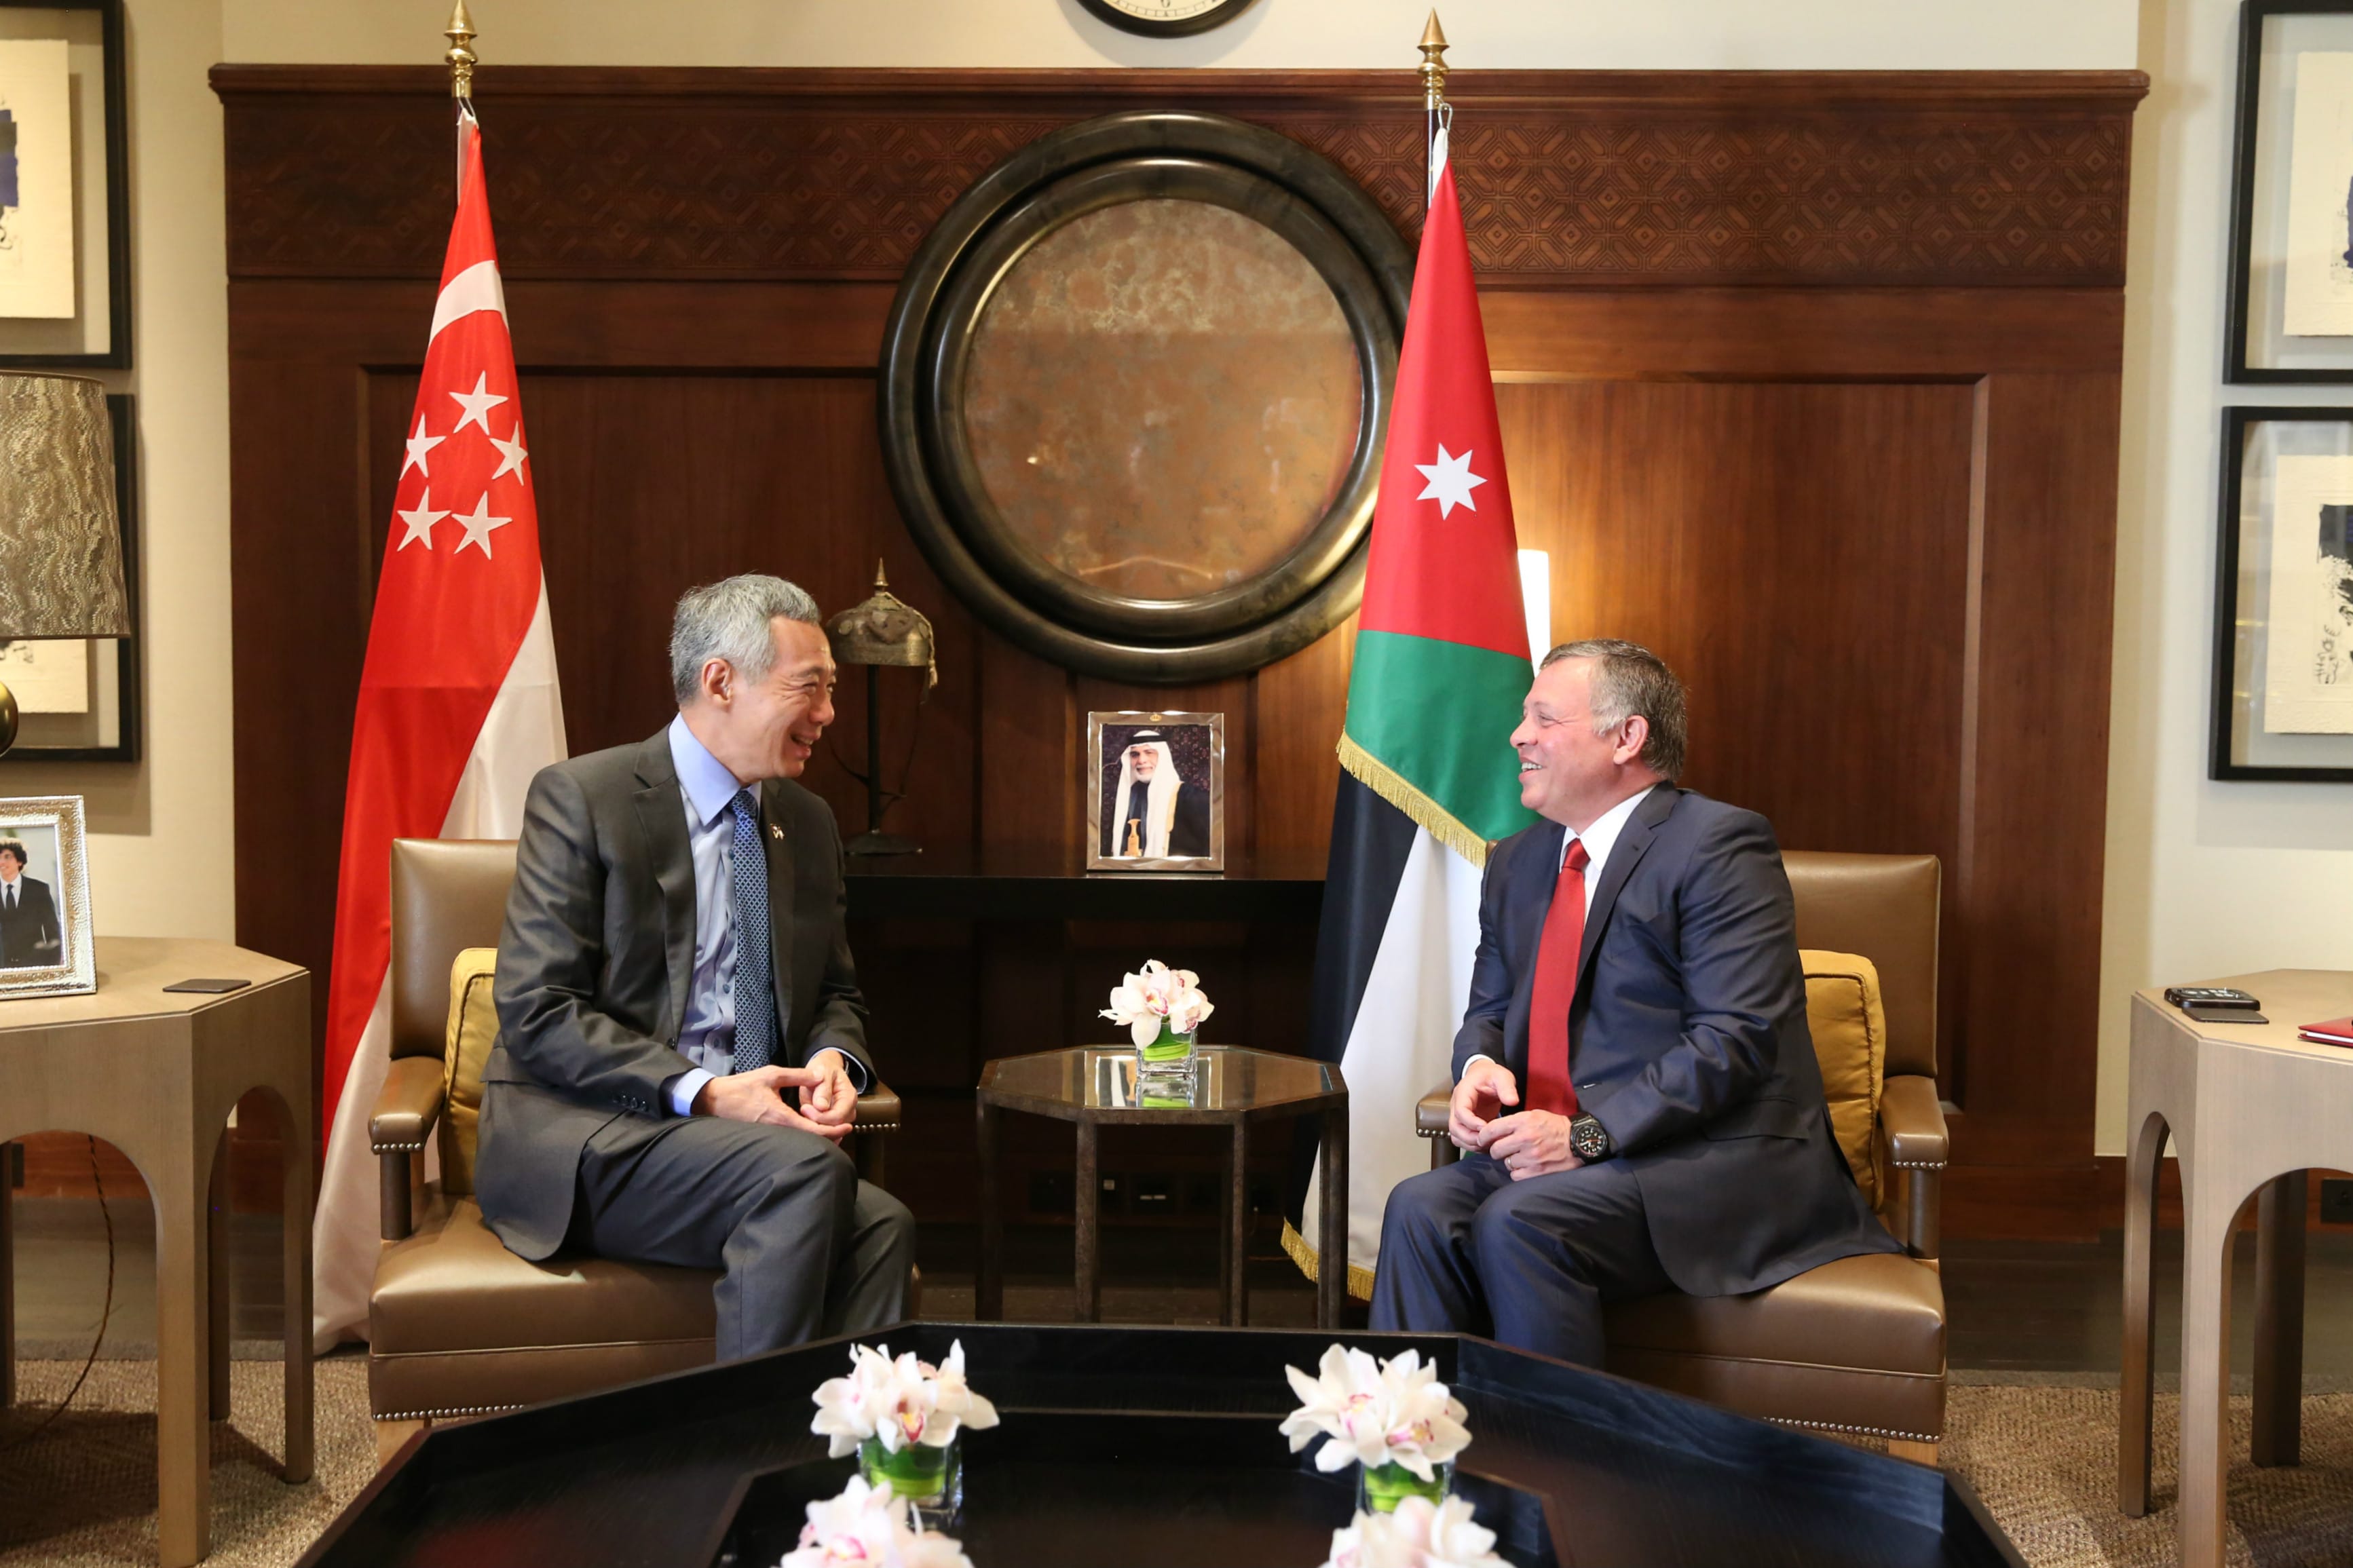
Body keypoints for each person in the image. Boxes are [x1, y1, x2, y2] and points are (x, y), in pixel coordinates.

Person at [1370, 638, 1899, 1366]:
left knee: (1521, 1222)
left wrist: (1586, 1137)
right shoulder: (1517, 861)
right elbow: (1487, 1008)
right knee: (1417, 1208)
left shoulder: (1716, 845)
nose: (1517, 736)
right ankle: (1415, 1463)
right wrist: (1480, 1065)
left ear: (1627, 736)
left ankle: (1560, 1471)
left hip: (1702, 1159)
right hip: (1559, 1157)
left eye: (1544, 718)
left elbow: (1734, 1041)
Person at [476, 573, 915, 1360]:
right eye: (808, 689)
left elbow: (836, 992)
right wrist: (707, 1093)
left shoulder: (806, 824)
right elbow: (539, 1010)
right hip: (597, 1135)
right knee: (800, 1175)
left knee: (886, 1224)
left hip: (753, 1149)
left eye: (831, 691)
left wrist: (829, 1057)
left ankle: (846, 1470)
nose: (827, 715)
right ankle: (741, 1457)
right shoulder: (584, 798)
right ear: (721, 681)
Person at [1103, 729, 1210, 858]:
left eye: (1149, 753)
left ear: (1163, 756)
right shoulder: (1126, 798)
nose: (1141, 760)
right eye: (1135, 755)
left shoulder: (1191, 797)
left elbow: (1208, 851)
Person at [0, 839, 62, 969]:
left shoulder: (39, 889)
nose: (2, 862)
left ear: (20, 861)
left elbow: (54, 935)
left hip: (34, 966)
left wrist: (49, 965)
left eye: (7, 857)